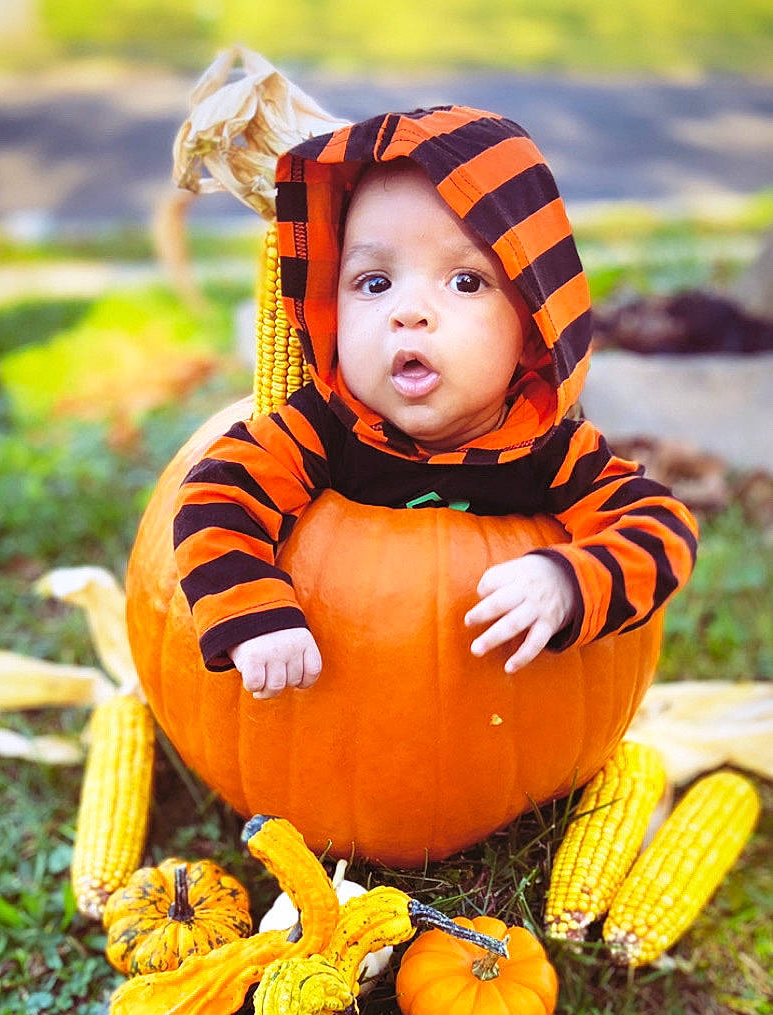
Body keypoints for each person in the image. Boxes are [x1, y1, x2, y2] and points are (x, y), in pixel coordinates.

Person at [174, 106, 698, 699]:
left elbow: (664, 530)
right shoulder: (318, 428)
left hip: (504, 732)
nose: (408, 311)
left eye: (466, 282)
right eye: (374, 283)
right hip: (334, 719)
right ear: (330, 309)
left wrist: (567, 581)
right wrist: (253, 616)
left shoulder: (548, 449)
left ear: (532, 330)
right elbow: (214, 497)